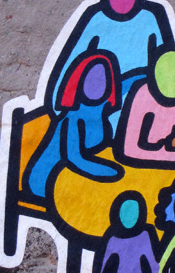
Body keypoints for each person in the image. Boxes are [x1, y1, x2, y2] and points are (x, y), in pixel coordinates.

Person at [46, 0, 175, 127]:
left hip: (139, 92)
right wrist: (57, 104)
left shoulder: (152, 16)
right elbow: (73, 60)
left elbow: (168, 60)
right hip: (101, 97)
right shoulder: (96, 16)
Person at [25, 53, 122, 199]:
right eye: (90, 79)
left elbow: (125, 83)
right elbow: (74, 158)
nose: (96, 85)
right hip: (47, 180)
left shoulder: (98, 114)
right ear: (79, 81)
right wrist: (113, 172)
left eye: (101, 79)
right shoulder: (71, 119)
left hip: (72, 173)